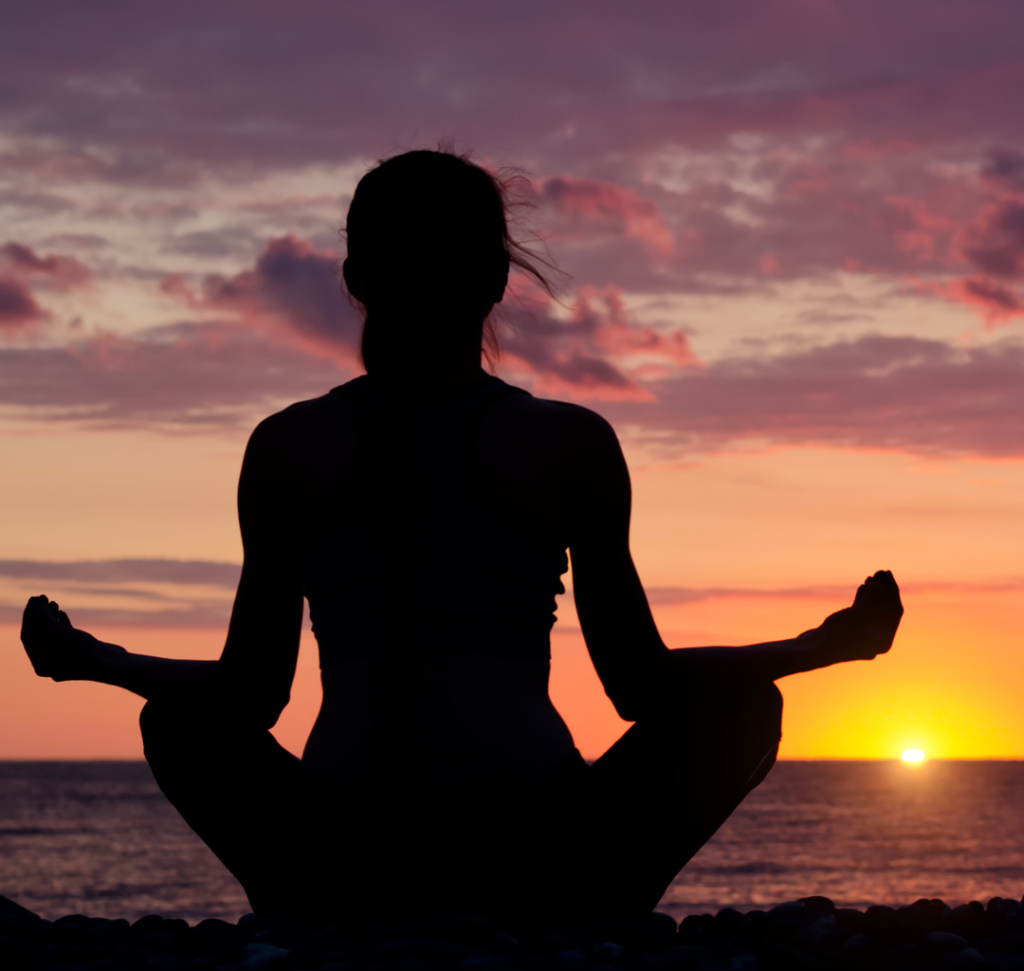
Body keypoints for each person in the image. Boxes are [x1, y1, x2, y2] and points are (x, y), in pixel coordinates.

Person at [20, 149, 903, 930]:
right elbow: (644, 685)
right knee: (744, 705)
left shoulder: (288, 445)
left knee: (182, 722)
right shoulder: (568, 443)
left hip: (343, 857)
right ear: (496, 280)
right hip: (542, 858)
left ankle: (320, 920)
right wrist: (821, 648)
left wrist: (94, 659)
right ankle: (579, 922)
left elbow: (248, 697)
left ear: (356, 278)